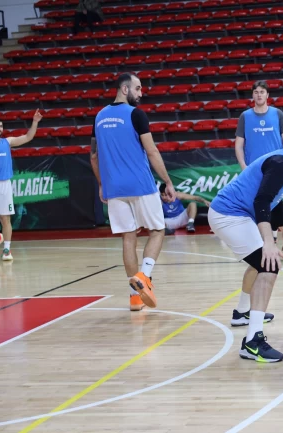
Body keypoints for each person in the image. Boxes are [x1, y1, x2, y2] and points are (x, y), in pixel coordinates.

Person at [209, 118, 283, 362]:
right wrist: (268, 243)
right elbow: (261, 201)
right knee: (269, 265)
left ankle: (244, 316)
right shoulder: (282, 163)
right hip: (229, 215)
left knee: (263, 265)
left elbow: (275, 201)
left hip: (235, 215)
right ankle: (252, 342)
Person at [91, 73, 176, 312]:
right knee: (157, 230)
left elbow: (94, 156)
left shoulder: (99, 117)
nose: (141, 93)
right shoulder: (136, 114)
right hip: (140, 185)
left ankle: (135, 298)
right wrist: (167, 181)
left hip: (114, 189)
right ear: (125, 89)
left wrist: (101, 184)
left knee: (128, 237)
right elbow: (152, 151)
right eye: (138, 88)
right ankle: (144, 277)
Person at [0, 110, 43, 261]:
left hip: (4, 185)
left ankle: (6, 250)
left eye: (1, 126)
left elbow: (28, 137)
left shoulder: (8, 142)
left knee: (5, 219)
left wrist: (35, 122)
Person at [235, 80, 283, 244]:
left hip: (275, 167)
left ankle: (272, 239)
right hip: (254, 170)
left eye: (262, 92)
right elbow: (238, 145)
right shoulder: (245, 116)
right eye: (256, 92)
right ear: (252, 95)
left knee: (275, 202)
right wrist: (244, 167)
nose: (259, 95)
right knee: (259, 203)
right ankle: (264, 239)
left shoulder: (277, 114)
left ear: (267, 95)